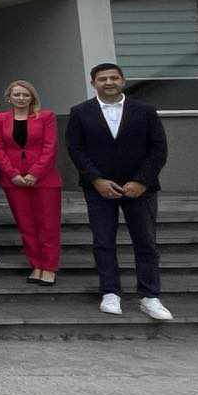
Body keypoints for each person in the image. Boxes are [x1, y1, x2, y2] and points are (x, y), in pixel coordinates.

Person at [65, 63, 171, 320]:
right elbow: (76, 149)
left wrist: (141, 182)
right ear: (93, 83)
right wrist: (96, 180)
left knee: (145, 242)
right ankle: (110, 292)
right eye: (103, 79)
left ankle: (150, 296)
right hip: (99, 189)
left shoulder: (145, 110)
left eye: (114, 78)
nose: (109, 82)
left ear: (123, 81)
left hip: (140, 189)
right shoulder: (80, 112)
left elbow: (158, 149)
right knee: (103, 241)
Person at [0, 80, 62, 285]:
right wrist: (13, 174)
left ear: (32, 97)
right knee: (26, 225)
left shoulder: (46, 117)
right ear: (9, 98)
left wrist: (34, 174)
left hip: (44, 179)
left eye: (25, 95)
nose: (21, 98)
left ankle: (49, 267)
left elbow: (50, 147)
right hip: (13, 180)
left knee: (48, 225)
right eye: (17, 95)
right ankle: (36, 265)